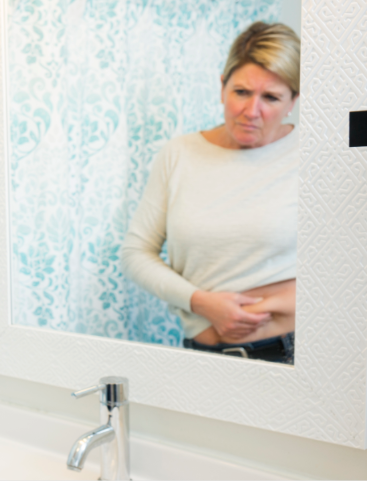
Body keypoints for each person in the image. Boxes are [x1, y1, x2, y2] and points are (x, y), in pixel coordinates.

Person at [121, 22, 300, 364]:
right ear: (222, 87)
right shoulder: (179, 154)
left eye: (271, 97)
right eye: (241, 92)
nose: (251, 111)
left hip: (293, 356)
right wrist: (201, 302)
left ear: (294, 100)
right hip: (202, 358)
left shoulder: (315, 156)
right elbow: (135, 253)